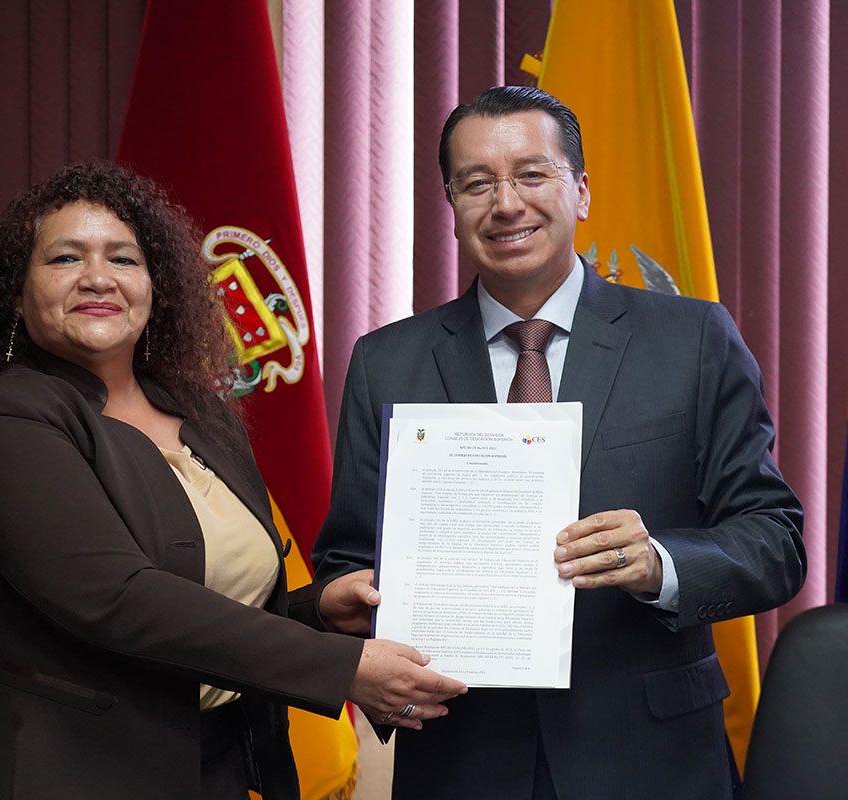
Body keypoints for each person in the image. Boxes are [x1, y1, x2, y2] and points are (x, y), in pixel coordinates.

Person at [0, 162, 465, 800]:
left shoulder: (201, 415)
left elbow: (217, 606)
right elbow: (120, 600)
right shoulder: (0, 421)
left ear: (154, 284)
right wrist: (343, 669)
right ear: (16, 291)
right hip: (65, 771)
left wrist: (315, 613)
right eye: (65, 258)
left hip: (217, 766)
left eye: (123, 258)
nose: (98, 277)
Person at [312, 86, 805, 799]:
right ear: (451, 208)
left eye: (532, 175)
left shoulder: (691, 340)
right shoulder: (387, 361)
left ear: (581, 192)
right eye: (476, 183)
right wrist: (346, 598)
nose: (506, 202)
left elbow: (776, 543)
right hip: (462, 757)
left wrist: (660, 563)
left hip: (650, 758)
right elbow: (348, 558)